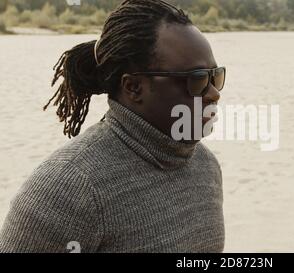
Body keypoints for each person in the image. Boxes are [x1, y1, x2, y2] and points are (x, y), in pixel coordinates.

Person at [0, 0, 226, 253]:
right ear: (133, 87)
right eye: (197, 80)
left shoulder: (206, 166)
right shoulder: (66, 188)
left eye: (215, 76)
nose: (214, 93)